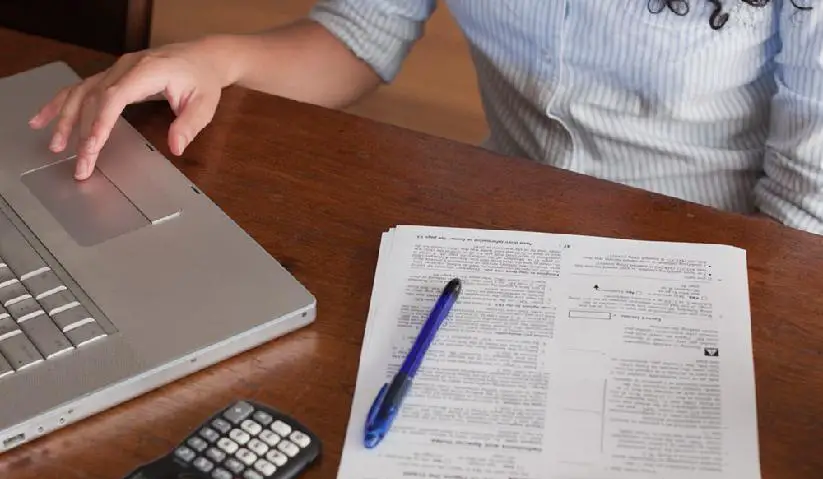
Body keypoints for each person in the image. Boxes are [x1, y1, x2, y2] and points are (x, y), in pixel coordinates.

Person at [28, 0, 823, 234]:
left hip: (710, 258)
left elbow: (803, 203)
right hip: (498, 227)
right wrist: (215, 60)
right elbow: (362, 34)